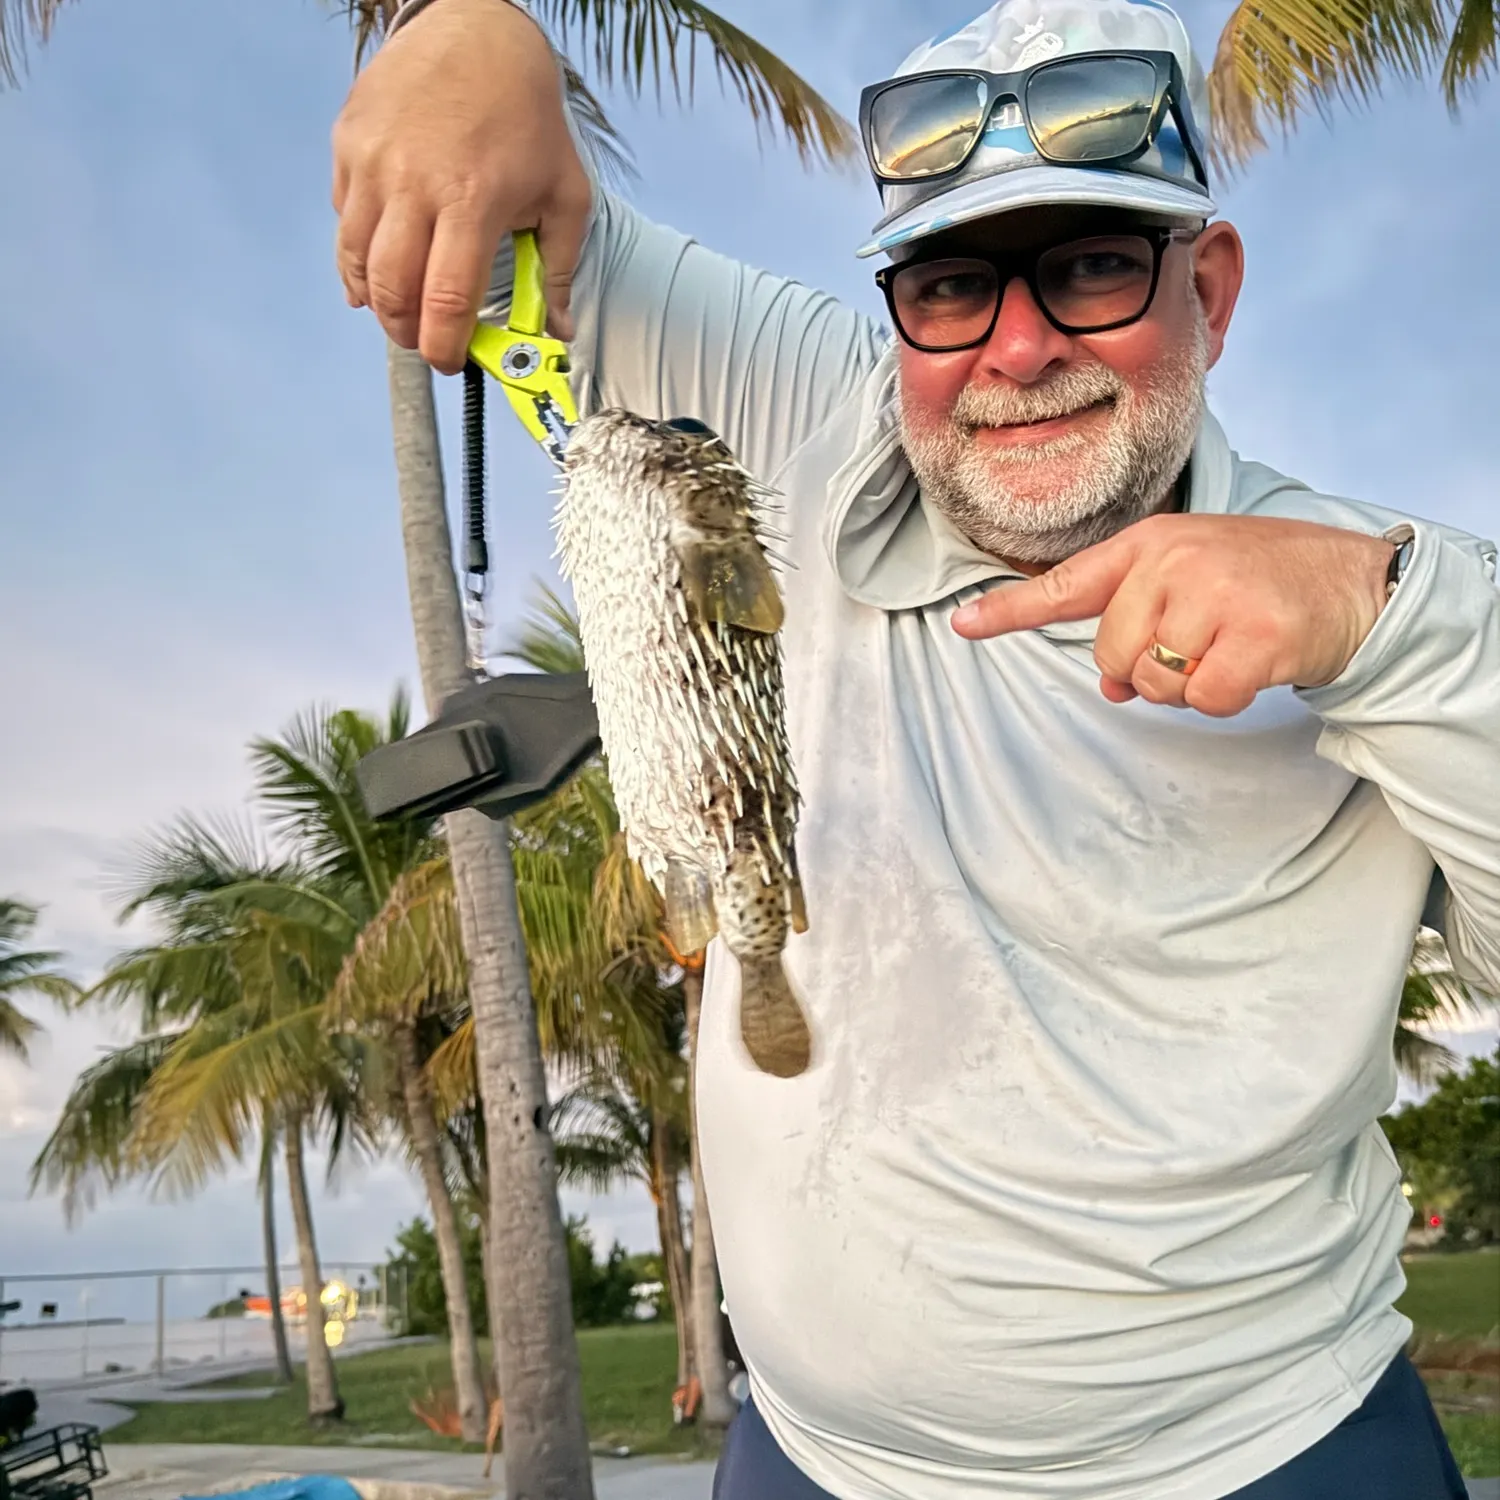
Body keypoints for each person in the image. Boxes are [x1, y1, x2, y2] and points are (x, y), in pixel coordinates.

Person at [330, 1, 1498, 1495]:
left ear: (1208, 285)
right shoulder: (821, 410)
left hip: (1269, 1447)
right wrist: (470, 34)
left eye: (1090, 265)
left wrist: (1383, 614)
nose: (1015, 348)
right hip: (813, 1457)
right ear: (897, 313)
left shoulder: (1376, 594)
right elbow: (528, 223)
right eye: (951, 285)